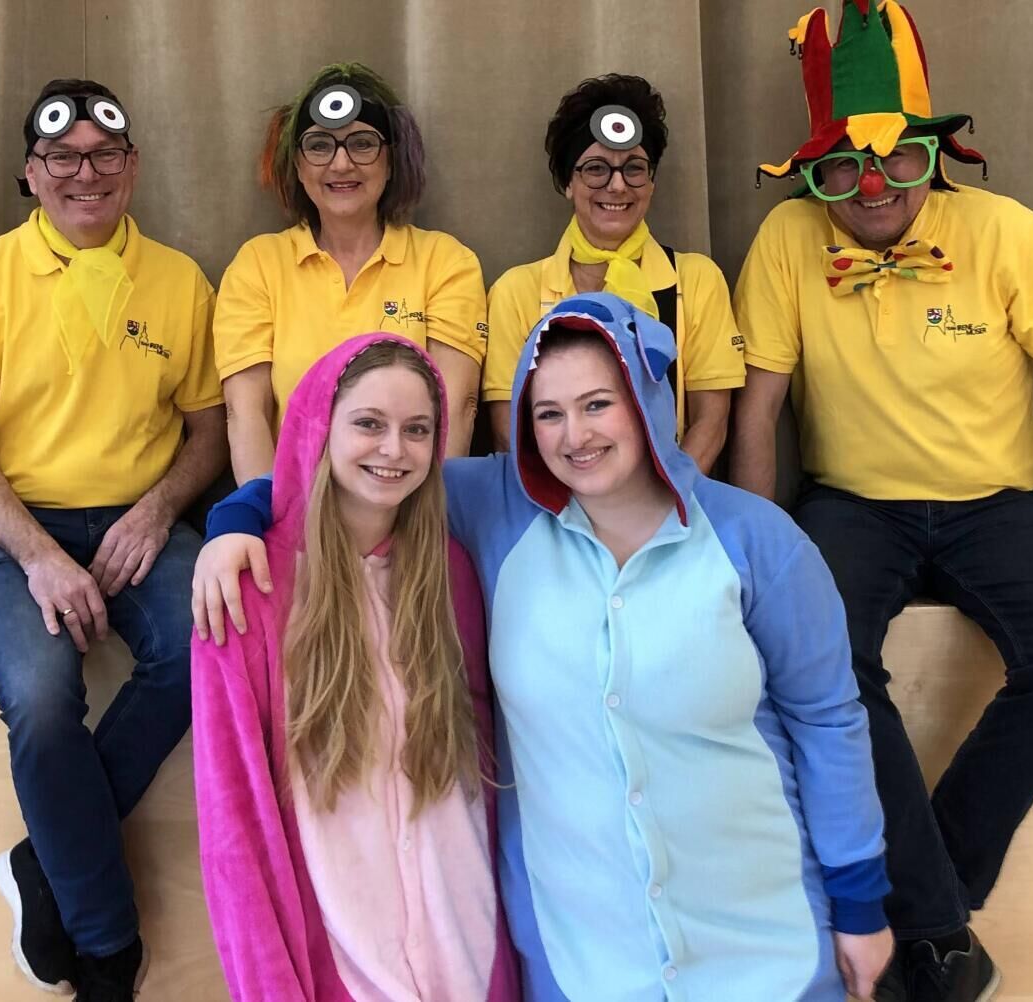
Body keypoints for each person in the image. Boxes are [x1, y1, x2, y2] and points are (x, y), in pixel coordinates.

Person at [192, 293, 893, 1001]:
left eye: (598, 404)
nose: (574, 435)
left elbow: (826, 719)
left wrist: (861, 902)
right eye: (548, 413)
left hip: (764, 943)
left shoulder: (759, 539)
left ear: (646, 399)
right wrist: (235, 519)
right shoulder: (497, 507)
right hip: (586, 963)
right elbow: (347, 468)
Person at [729, 3, 1033, 999]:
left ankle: (927, 902)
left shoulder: (1006, 231)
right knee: (820, 662)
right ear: (813, 173)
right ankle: (942, 934)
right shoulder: (785, 239)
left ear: (935, 154)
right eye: (845, 168)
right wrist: (742, 565)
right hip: (853, 505)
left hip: (997, 505)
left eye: (897, 159)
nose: (874, 188)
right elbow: (757, 411)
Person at [0, 78, 226, 999]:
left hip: (143, 521)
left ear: (133, 166)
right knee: (42, 700)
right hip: (17, 530)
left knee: (205, 648)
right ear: (30, 172)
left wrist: (158, 508)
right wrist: (40, 557)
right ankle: (107, 945)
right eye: (62, 156)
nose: (84, 174)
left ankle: (43, 859)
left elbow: (209, 432)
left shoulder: (180, 280)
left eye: (105, 156)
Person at [192, 334, 519, 1002]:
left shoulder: (452, 573)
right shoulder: (248, 586)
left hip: (470, 961)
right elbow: (235, 831)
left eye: (417, 429)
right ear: (320, 426)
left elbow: (478, 778)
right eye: (369, 423)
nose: (394, 449)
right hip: (338, 971)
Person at [215, 62, 488, 481]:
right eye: (319, 146)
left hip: (407, 497)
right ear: (297, 165)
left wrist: (424, 515)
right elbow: (245, 412)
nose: (341, 164)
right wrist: (271, 514)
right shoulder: (258, 264)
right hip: (294, 503)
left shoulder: (446, 262)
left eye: (362, 144)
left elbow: (456, 408)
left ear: (392, 160)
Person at [482, 74, 744, 473]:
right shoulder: (516, 291)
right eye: (596, 169)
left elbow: (711, 423)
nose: (618, 186)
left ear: (652, 181)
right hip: (558, 496)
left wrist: (664, 497)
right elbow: (509, 432)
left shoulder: (696, 280)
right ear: (567, 182)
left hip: (670, 493)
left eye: (634, 168)